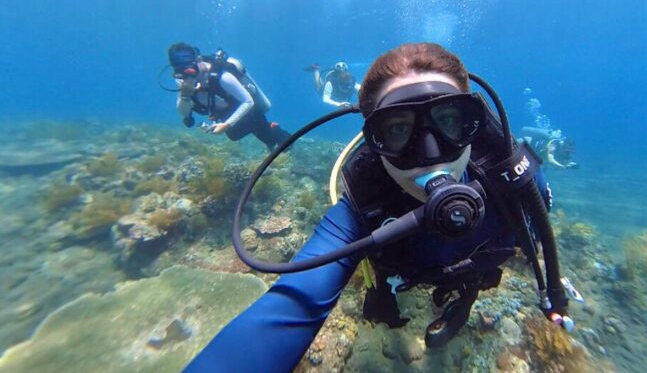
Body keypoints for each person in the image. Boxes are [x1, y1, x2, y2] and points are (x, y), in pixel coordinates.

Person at [187, 43, 574, 372]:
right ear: (374, 141)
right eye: (398, 129)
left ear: (473, 125)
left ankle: (463, 297)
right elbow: (290, 308)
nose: (430, 155)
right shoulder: (360, 208)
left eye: (449, 121)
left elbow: (538, 231)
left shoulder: (516, 175)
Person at [168, 43, 291, 151]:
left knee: (270, 138)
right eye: (182, 73)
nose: (189, 77)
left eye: (191, 71)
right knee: (234, 136)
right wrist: (185, 96)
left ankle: (278, 132)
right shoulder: (182, 81)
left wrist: (226, 124)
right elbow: (185, 114)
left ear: (198, 60)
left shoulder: (222, 76)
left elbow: (248, 101)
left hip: (249, 111)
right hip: (224, 112)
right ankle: (266, 132)